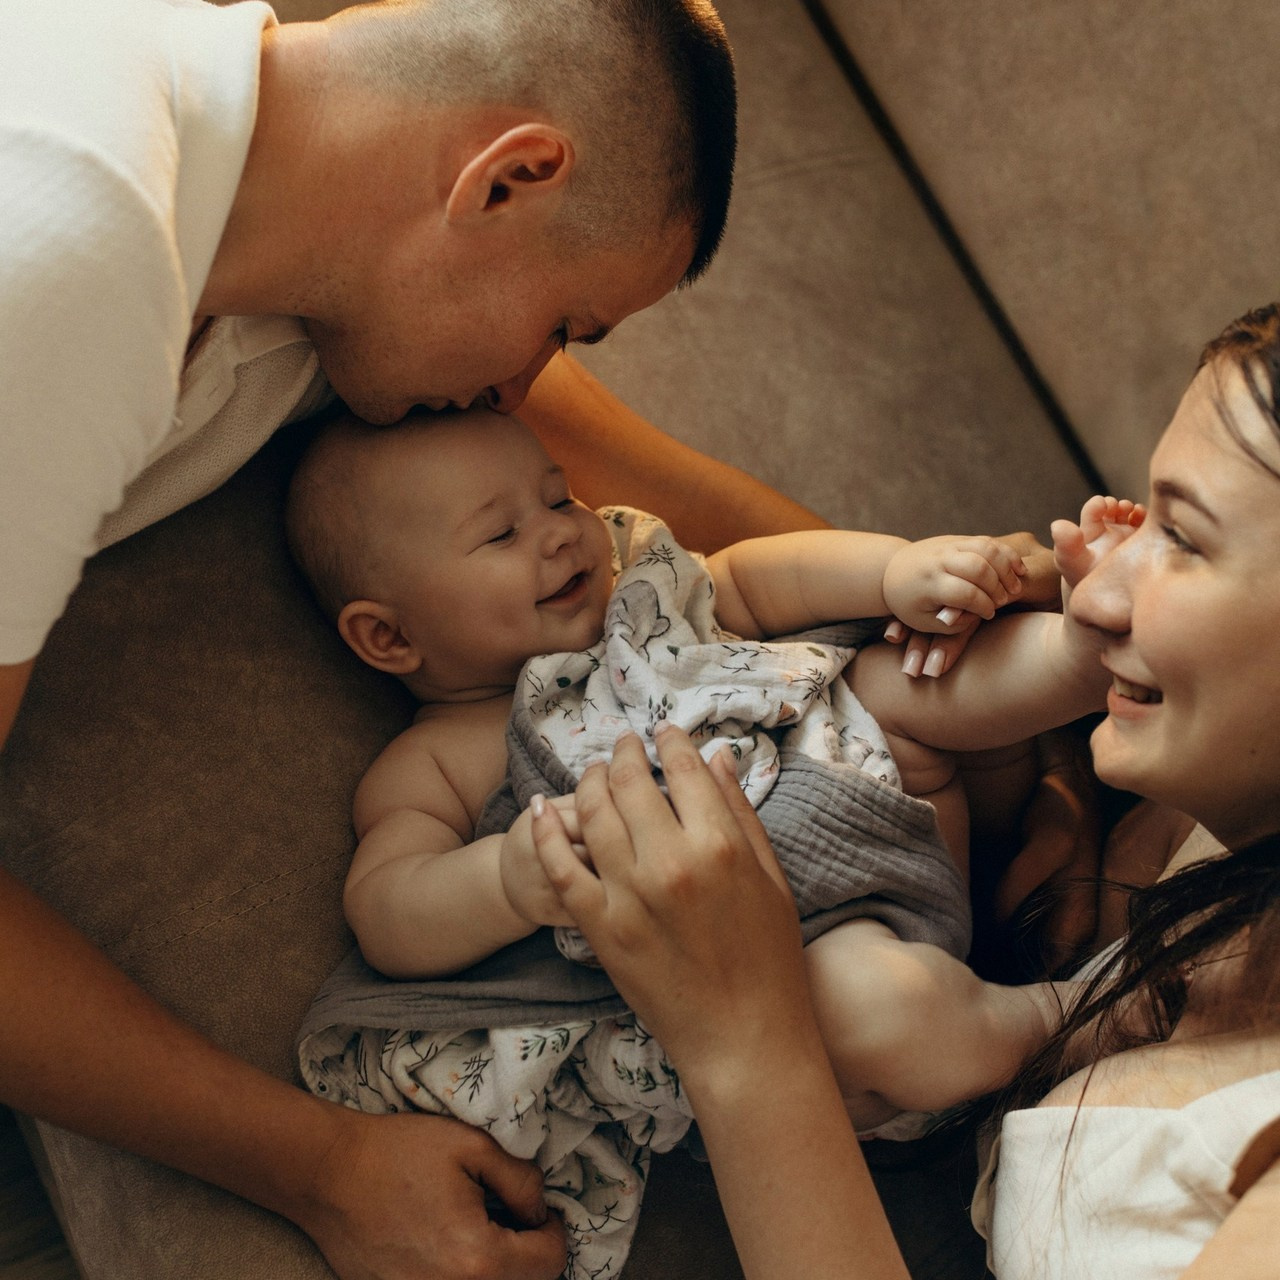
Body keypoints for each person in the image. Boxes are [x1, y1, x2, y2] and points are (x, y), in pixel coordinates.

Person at [0, 0, 824, 1274]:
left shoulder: (308, 242)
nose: (522, 389)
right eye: (563, 321)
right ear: (509, 178)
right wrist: (319, 1164)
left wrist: (948, 637)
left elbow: (681, 503)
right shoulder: (75, 245)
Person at [528, 304, 1280, 1279]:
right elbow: (753, 622)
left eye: (1180, 536)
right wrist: (1037, 746)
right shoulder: (1208, 805)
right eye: (1144, 520)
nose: (1091, 595)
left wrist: (747, 1046)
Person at [284, 403, 1131, 1130]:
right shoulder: (436, 761)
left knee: (911, 669)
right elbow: (386, 911)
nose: (558, 532)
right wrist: (507, 882)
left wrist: (893, 570)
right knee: (878, 1015)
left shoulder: (644, 600)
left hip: (887, 781)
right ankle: (1076, 1013)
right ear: (389, 636)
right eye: (502, 533)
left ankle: (1094, 652)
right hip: (806, 955)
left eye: (557, 495)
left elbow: (765, 572)